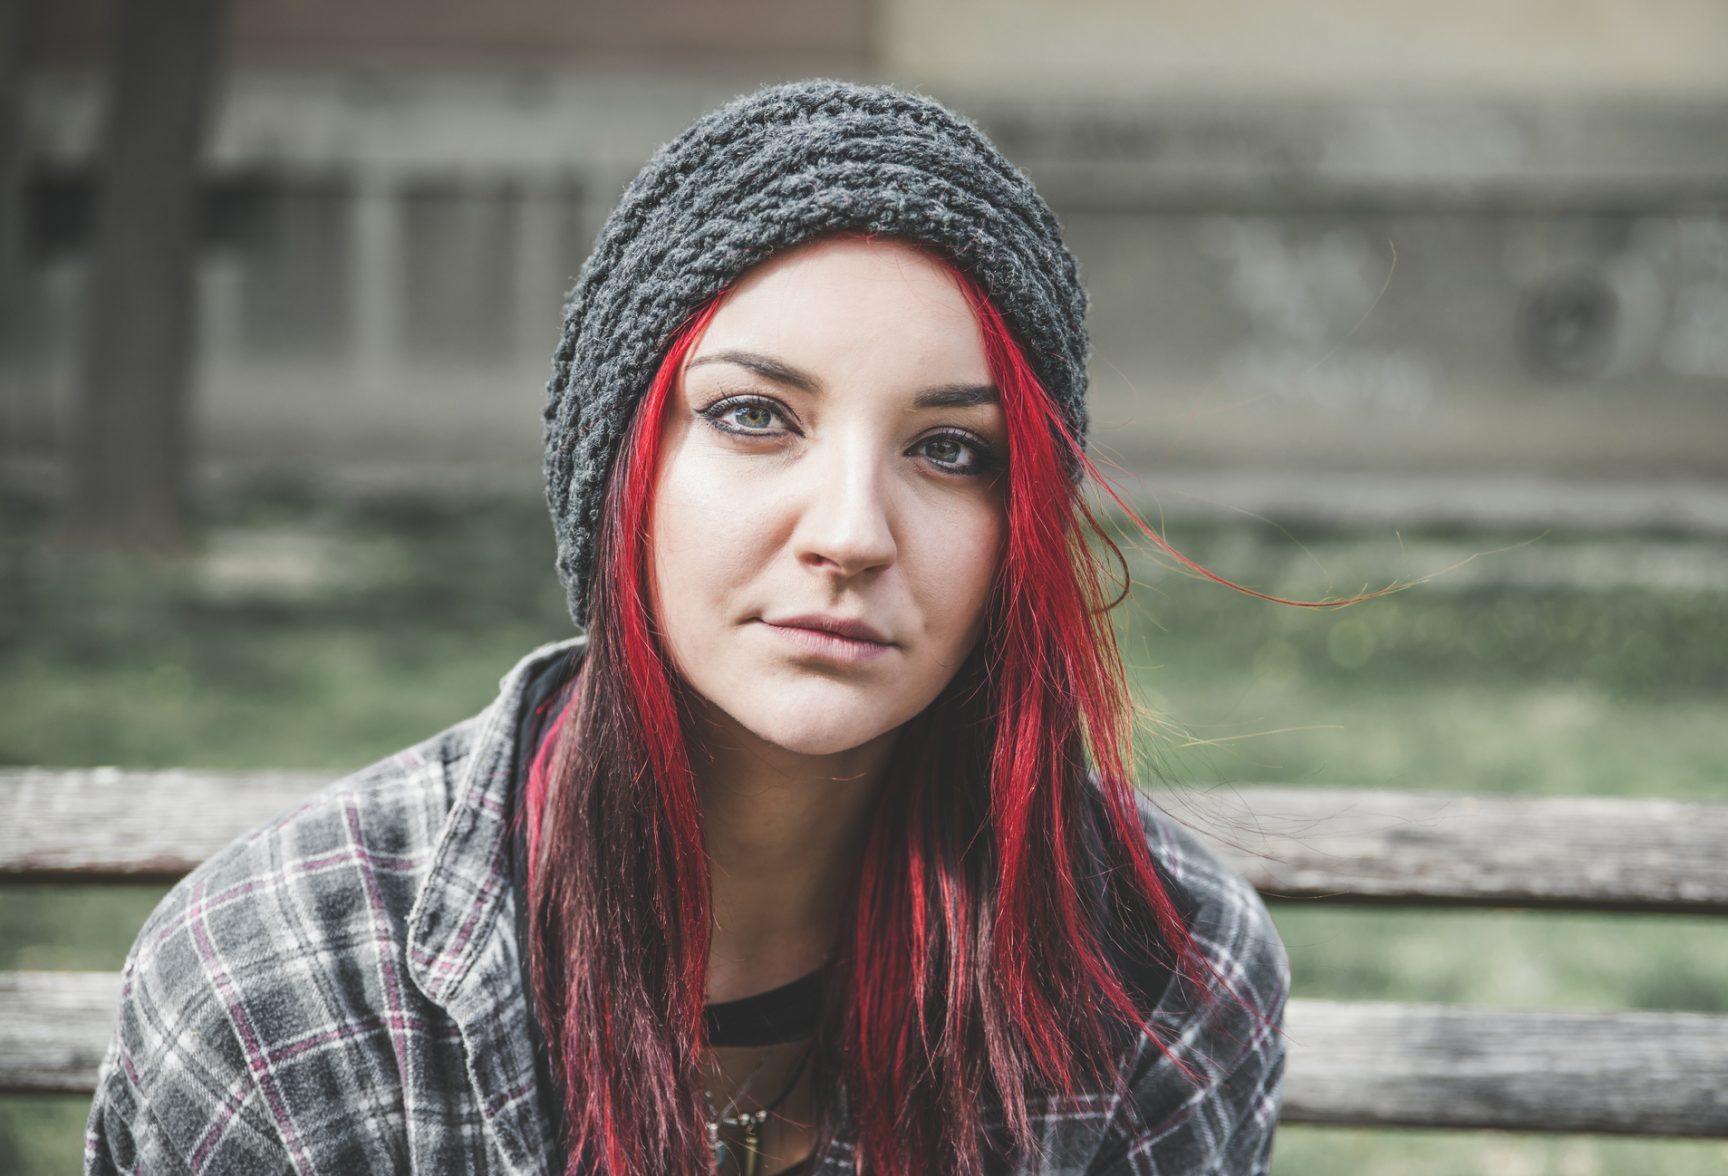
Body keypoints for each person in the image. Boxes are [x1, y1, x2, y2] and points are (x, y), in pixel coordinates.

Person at [84, 79, 1289, 1175]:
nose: (853, 532)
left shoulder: (1158, 972)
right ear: (622, 478)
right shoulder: (285, 986)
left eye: (949, 449)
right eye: (758, 415)